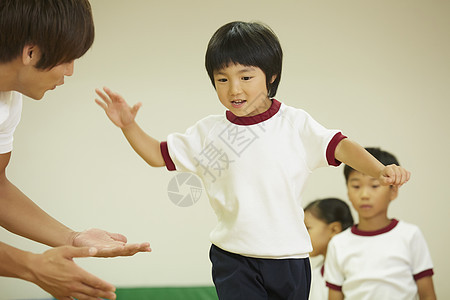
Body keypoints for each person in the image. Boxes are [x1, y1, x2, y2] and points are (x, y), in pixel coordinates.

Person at [95, 21, 410, 300]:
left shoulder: (295, 124)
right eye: (222, 79)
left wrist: (380, 170)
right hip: (234, 258)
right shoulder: (209, 133)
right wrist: (128, 125)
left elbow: (341, 146)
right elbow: (156, 155)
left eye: (245, 77)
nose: (234, 89)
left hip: (289, 257)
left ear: (271, 75)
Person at [0, 1, 151, 299]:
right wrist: (31, 267)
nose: (69, 72)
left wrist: (73, 237)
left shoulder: (9, 101)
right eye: (67, 59)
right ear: (31, 52)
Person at [324, 147, 436, 300]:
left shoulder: (410, 235)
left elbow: (428, 295)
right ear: (348, 191)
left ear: (393, 191)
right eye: (356, 186)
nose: (364, 195)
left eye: (374, 185)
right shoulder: (338, 244)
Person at [304, 198, 354, 300]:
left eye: (307, 228)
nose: (302, 235)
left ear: (334, 229)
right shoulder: (314, 275)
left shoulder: (354, 270)